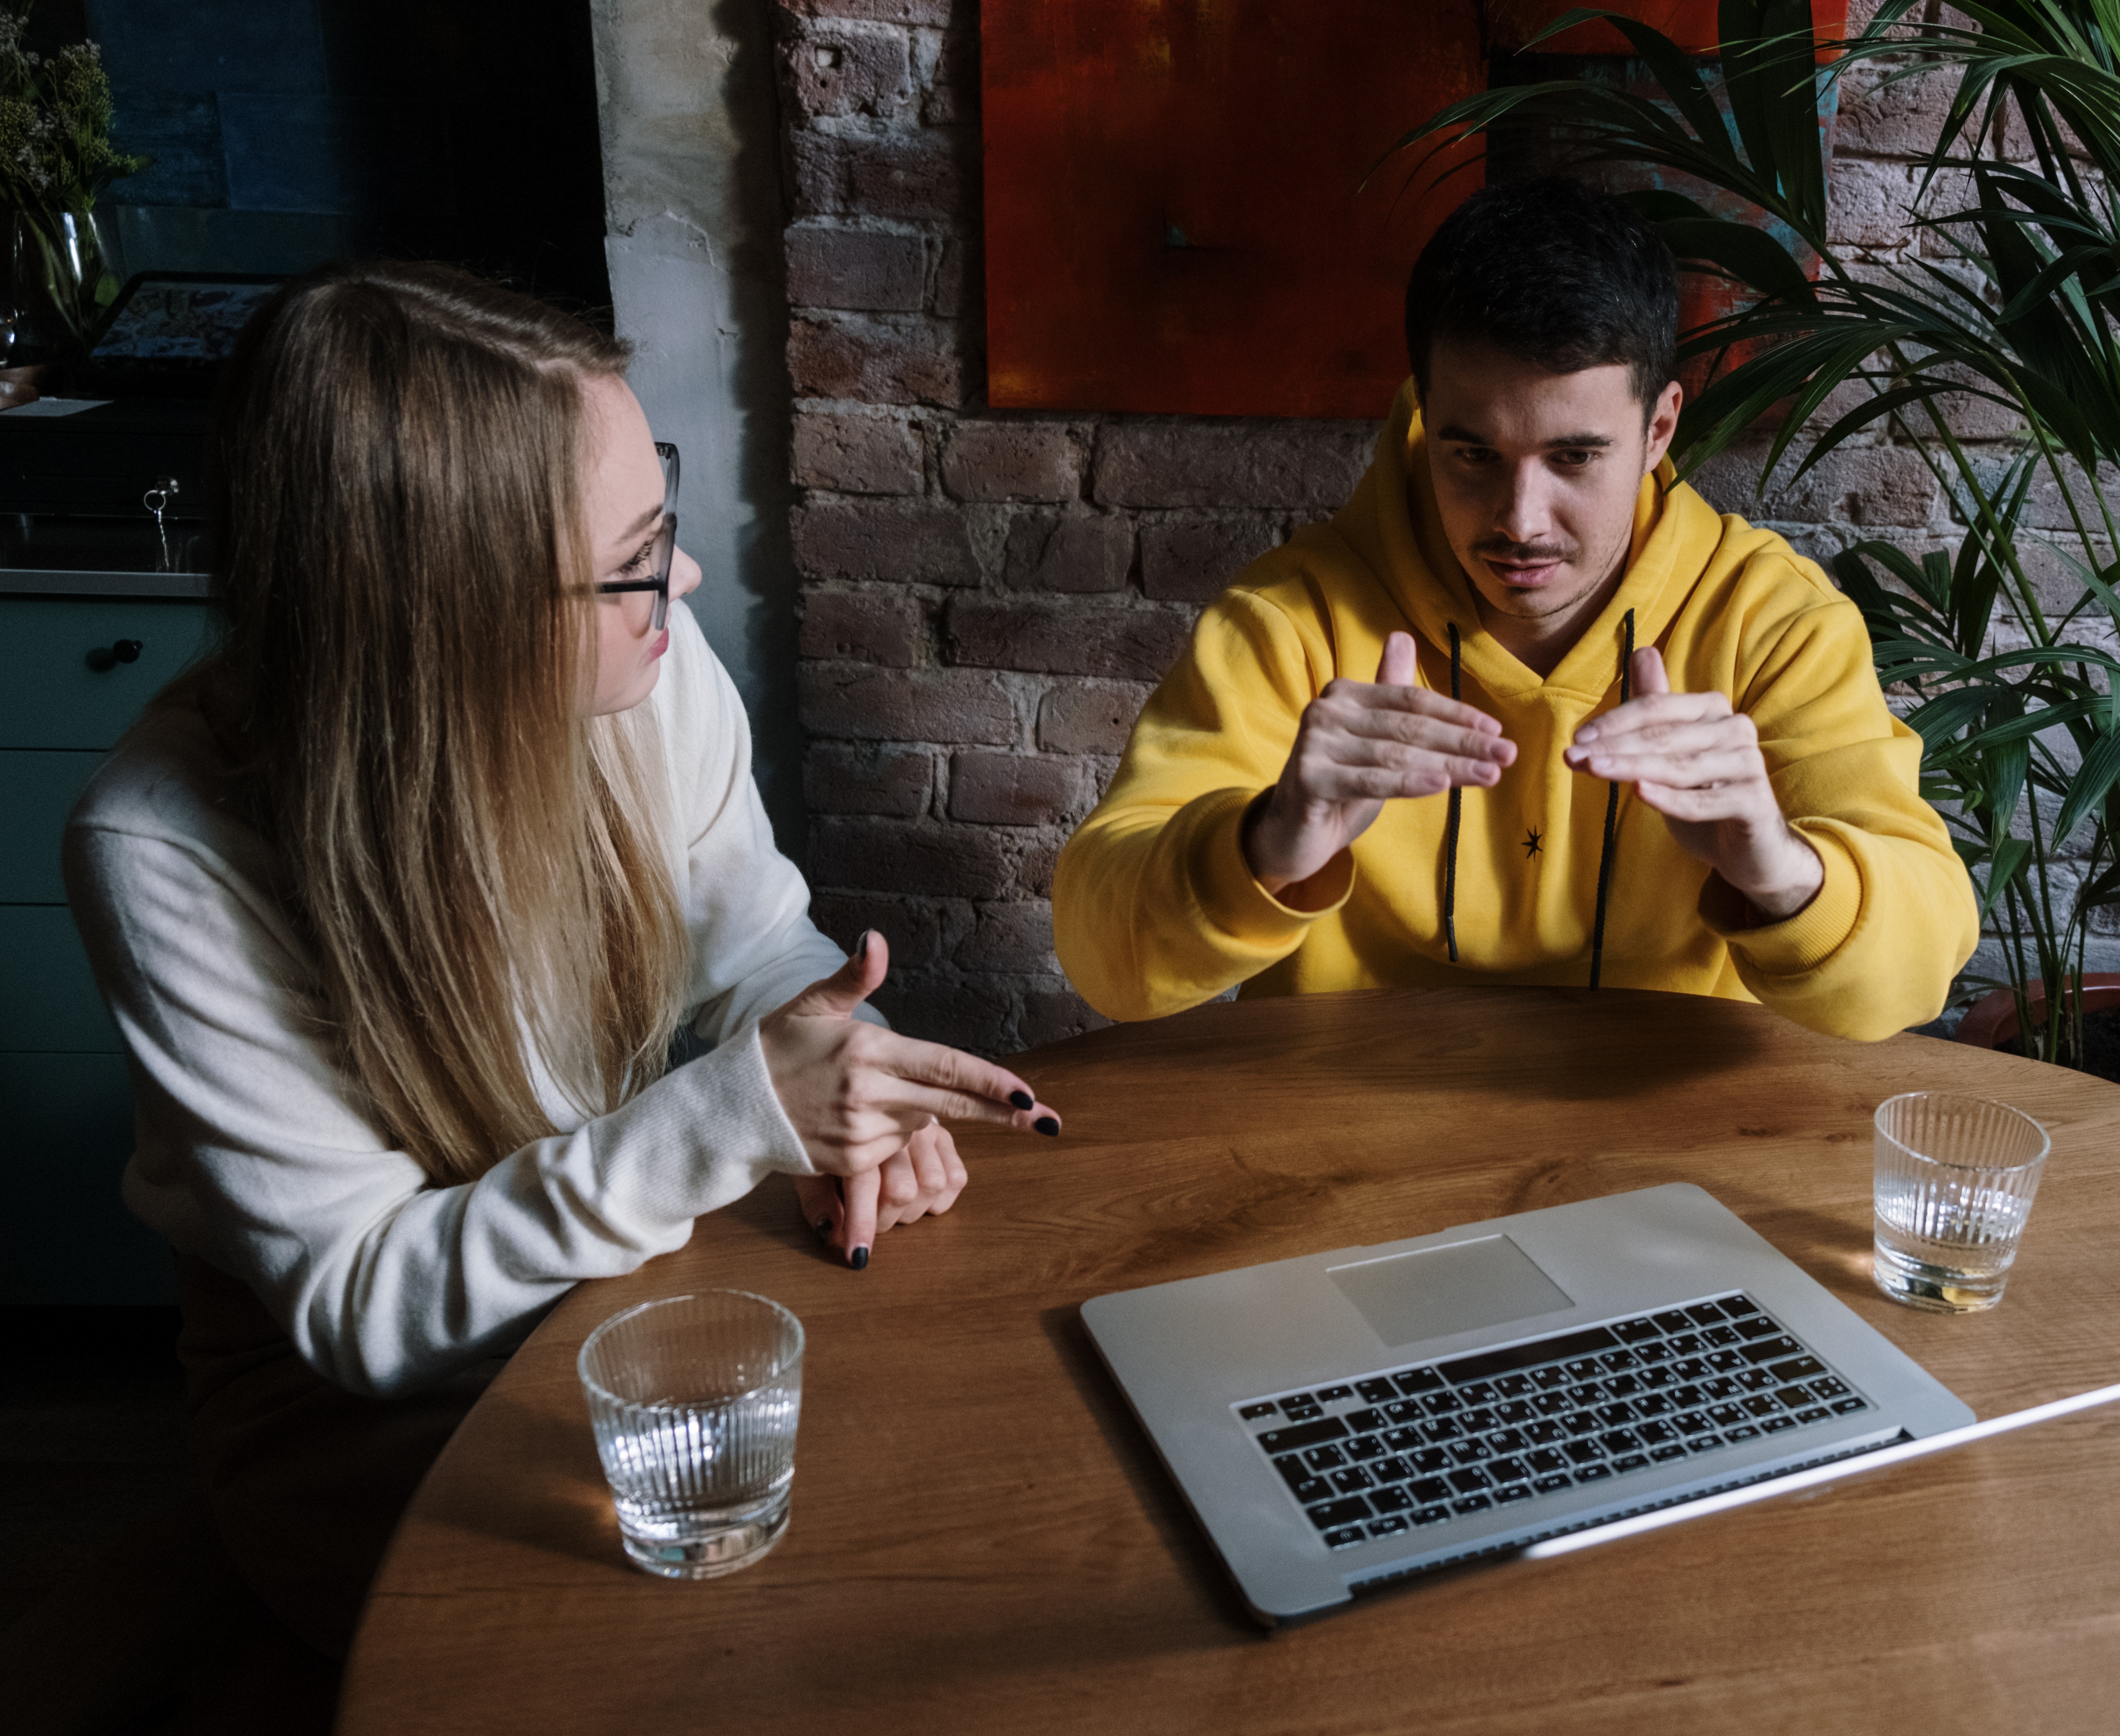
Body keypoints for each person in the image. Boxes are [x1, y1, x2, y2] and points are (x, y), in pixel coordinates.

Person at [62, 262, 1060, 1660]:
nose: (688, 579)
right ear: (446, 617)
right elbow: (368, 1311)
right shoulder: (164, 846)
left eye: (662, 515)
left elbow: (754, 944)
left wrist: (841, 1074)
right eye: (636, 556)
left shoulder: (645, 668)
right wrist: (733, 1119)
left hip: (630, 1298)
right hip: (367, 1426)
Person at [1053, 177, 1975, 1035]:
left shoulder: (1773, 622)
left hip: (1668, 1154)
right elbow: (1105, 961)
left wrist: (1777, 864)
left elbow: (1921, 963)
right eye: (1473, 454)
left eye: (1574, 457)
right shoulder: (1291, 617)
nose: (1520, 521)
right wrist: (1262, 844)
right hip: (1347, 1154)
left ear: (1658, 429)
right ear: (1423, 411)